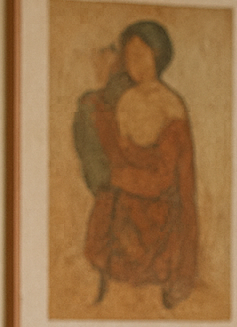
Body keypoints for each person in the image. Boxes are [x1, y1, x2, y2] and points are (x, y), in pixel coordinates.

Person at [73, 20, 197, 310]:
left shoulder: (171, 105)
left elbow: (166, 178)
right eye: (129, 56)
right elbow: (113, 152)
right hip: (121, 210)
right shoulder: (125, 100)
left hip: (159, 216)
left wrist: (116, 177)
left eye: (141, 55)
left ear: (158, 56)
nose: (134, 63)